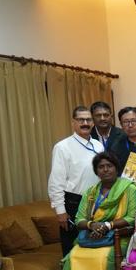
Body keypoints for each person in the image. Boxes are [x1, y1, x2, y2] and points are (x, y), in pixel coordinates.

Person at [58, 152, 136, 270]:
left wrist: (107, 226)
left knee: (103, 258)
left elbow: (133, 217)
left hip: (118, 237)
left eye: (109, 166)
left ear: (116, 168)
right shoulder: (91, 192)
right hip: (91, 237)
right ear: (96, 171)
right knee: (74, 257)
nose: (105, 170)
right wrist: (92, 225)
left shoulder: (130, 188)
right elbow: (79, 219)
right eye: (101, 167)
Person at [49, 106, 105, 255]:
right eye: (81, 120)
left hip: (97, 202)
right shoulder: (62, 147)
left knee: (94, 247)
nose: (85, 123)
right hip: (74, 203)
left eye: (88, 120)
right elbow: (56, 182)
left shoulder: (98, 145)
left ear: (93, 122)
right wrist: (60, 211)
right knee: (72, 249)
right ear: (73, 122)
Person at [109, 106, 136, 190]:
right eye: (126, 122)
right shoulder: (115, 146)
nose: (130, 125)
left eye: (134, 121)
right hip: (124, 191)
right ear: (121, 125)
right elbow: (112, 172)